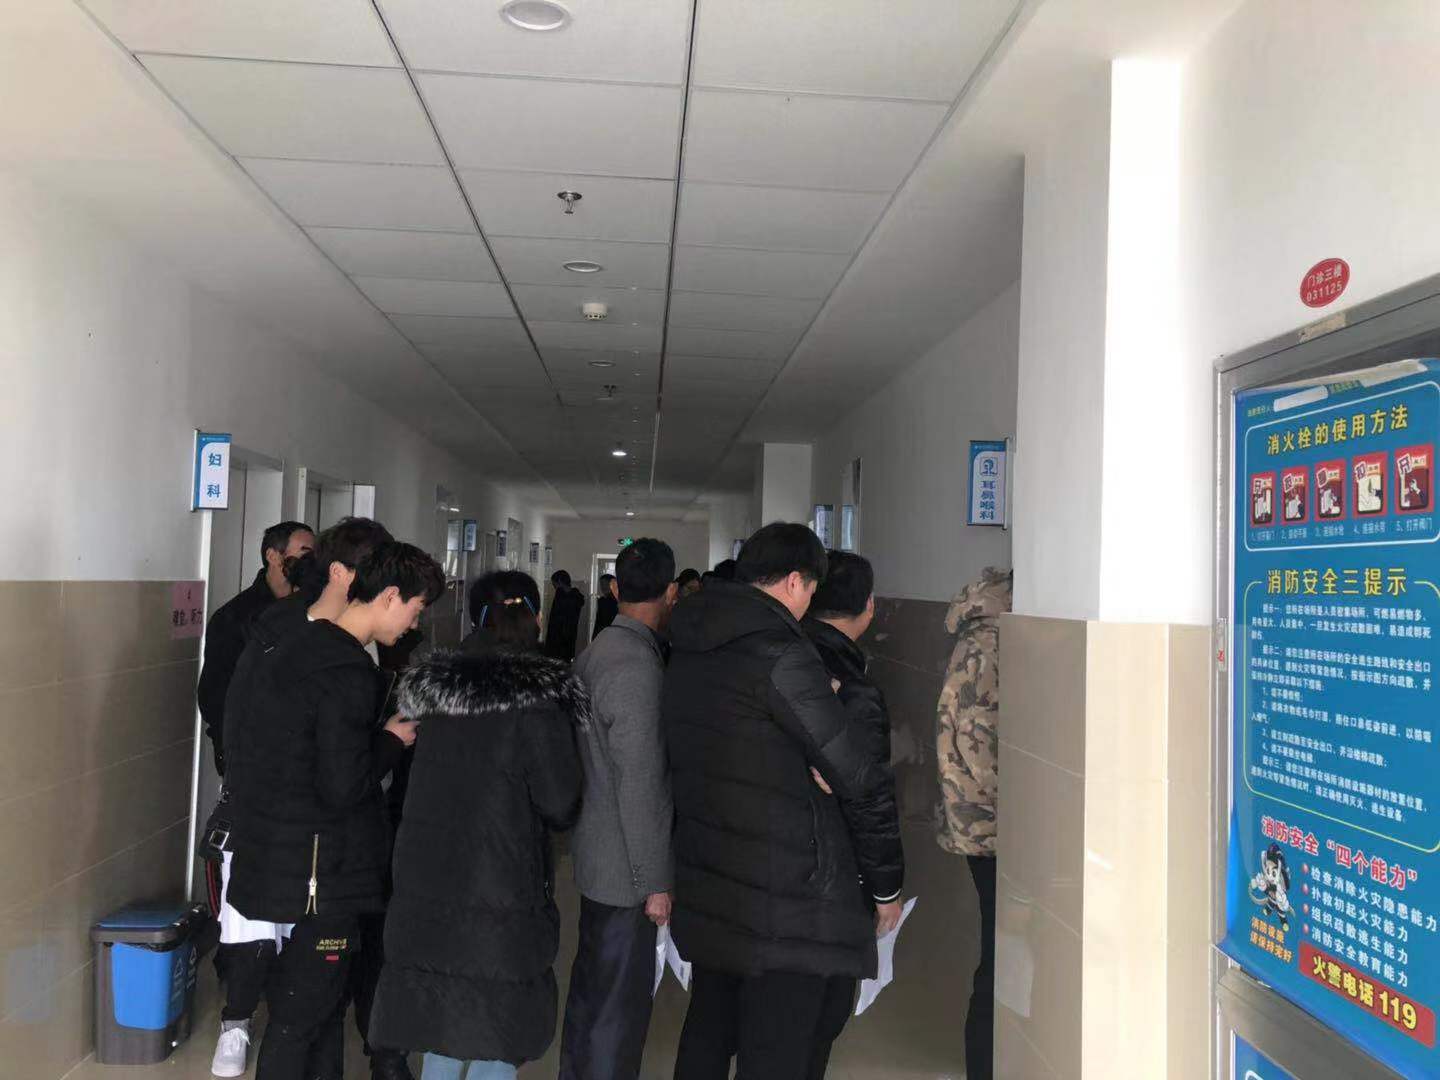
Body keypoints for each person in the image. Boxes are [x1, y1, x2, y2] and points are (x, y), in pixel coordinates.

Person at [664, 523, 904, 1079]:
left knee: (709, 1030)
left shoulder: (694, 644)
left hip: (713, 874)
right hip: (785, 897)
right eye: (811, 589)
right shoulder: (781, 653)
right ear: (795, 581)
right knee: (777, 1049)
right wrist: (886, 886)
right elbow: (856, 775)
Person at [223, 541, 444, 1080]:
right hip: (323, 871)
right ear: (389, 596)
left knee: (316, 1016)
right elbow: (343, 785)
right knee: (300, 1020)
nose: (414, 625)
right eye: (416, 609)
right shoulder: (348, 671)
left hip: (278, 854)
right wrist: (390, 741)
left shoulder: (293, 644)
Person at [369, 570, 585, 1080]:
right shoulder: (535, 696)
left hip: (427, 874)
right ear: (536, 617)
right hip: (501, 881)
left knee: (440, 1009)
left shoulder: (430, 686)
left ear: (475, 619)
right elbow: (560, 803)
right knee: (495, 1023)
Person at [209, 517, 393, 1080]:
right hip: (290, 844)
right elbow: (237, 725)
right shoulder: (278, 634)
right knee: (289, 989)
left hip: (329, 850)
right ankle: (236, 1021)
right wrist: (385, 747)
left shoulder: (359, 645)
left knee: (320, 996)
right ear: (341, 573)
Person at [560, 539, 679, 1080]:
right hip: (625, 868)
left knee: (593, 995)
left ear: (614, 588)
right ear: (671, 593)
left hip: (599, 850)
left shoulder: (599, 650)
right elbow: (641, 783)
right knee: (616, 1009)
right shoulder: (636, 667)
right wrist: (655, 880)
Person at [935, 566, 1011, 1080]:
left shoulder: (987, 631)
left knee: (1000, 954)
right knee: (998, 959)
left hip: (985, 821)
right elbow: (976, 744)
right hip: (989, 826)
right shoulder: (990, 640)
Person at [801, 550, 902, 912]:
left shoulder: (788, 656)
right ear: (869, 605)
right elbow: (870, 799)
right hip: (829, 870)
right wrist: (886, 890)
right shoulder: (855, 689)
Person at [198, 520, 314, 776]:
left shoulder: (310, 610)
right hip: (249, 753)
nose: (310, 561)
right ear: (273, 556)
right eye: (304, 552)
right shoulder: (235, 616)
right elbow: (212, 695)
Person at [545, 569, 585, 661]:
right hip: (568, 639)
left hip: (558, 640)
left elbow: (556, 620)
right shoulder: (576, 597)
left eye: (554, 584)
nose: (554, 586)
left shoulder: (561, 595)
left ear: (559, 581)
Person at [592, 572, 619, 640]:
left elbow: (601, 622)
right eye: (601, 584)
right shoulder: (618, 600)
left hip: (606, 635)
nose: (602, 587)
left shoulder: (605, 601)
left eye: (605, 584)